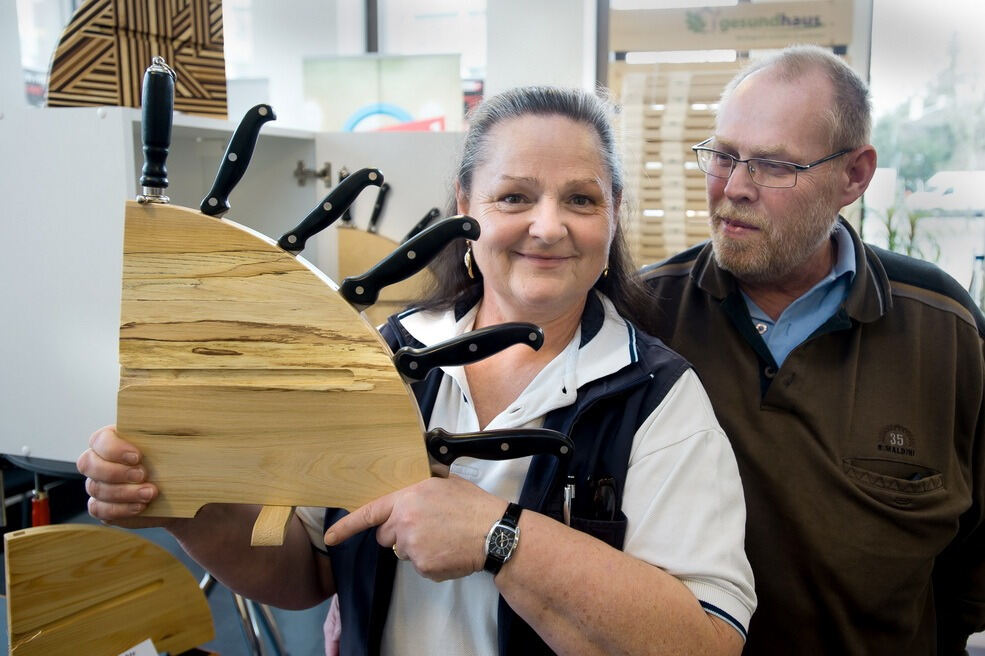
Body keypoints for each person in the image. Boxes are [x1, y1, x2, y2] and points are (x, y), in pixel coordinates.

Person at [78, 86, 756, 655]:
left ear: (612, 219)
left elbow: (706, 639)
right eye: (514, 197)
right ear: (466, 206)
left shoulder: (656, 399)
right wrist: (180, 507)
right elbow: (311, 568)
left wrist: (502, 538)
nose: (548, 227)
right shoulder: (380, 362)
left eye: (580, 200)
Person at [642, 45, 985, 654]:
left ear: (854, 175)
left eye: (774, 165)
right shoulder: (647, 317)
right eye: (724, 156)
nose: (735, 188)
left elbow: (974, 561)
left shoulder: (946, 329)